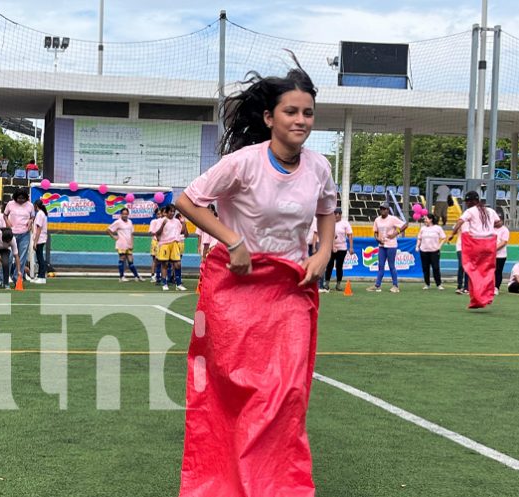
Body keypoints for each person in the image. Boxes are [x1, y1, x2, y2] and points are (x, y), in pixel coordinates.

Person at [174, 56, 336, 497]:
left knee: (287, 392)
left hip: (290, 290)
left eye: (307, 113)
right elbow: (187, 201)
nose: (301, 120)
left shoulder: (319, 167)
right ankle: (226, 480)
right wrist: (233, 241)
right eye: (291, 111)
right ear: (269, 118)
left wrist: (322, 252)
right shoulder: (244, 163)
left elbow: (326, 210)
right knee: (236, 392)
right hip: (236, 289)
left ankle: (279, 484)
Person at [448, 191, 499, 309]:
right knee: (488, 271)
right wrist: (488, 226)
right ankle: (488, 297)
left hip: (476, 243)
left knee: (472, 270)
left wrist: (452, 233)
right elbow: (499, 223)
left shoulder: (470, 211)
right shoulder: (490, 211)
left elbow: (460, 221)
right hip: (490, 244)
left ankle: (477, 299)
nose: (466, 204)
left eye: (467, 202)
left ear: (472, 201)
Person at [367, 203, 408, 293]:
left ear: (388, 210)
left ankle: (395, 286)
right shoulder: (377, 220)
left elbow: (405, 225)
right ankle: (377, 285)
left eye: (384, 209)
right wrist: (377, 239)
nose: (382, 210)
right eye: (381, 209)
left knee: (391, 265)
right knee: (380, 266)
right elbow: (375, 232)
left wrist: (395, 233)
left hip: (391, 245)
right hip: (382, 245)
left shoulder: (392, 219)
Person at [3, 188, 34, 284]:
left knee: (22, 257)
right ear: (15, 197)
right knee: (10, 255)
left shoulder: (30, 205)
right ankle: (5, 277)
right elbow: (5, 215)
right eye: (19, 198)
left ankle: (17, 278)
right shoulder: (10, 204)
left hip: (24, 234)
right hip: (12, 234)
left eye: (23, 198)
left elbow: (32, 216)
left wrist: (30, 220)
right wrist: (8, 223)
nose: (20, 200)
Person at [154, 204, 186, 291]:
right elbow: (157, 233)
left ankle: (178, 284)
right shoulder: (162, 220)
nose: (172, 213)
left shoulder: (176, 221)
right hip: (164, 244)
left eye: (173, 211)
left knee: (178, 264)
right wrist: (163, 225)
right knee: (165, 264)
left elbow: (182, 231)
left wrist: (183, 223)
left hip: (174, 243)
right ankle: (164, 283)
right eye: (170, 211)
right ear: (167, 212)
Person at [107, 207, 143, 282]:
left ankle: (136, 276)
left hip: (128, 244)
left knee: (131, 260)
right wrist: (114, 237)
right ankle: (121, 277)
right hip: (121, 244)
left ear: (128, 214)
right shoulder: (118, 222)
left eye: (126, 214)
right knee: (122, 259)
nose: (125, 215)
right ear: (121, 214)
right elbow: (108, 229)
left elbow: (132, 233)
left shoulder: (130, 222)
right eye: (123, 214)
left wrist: (132, 243)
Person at [322, 208, 353, 291]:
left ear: (340, 214)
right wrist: (332, 246)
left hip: (342, 248)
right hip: (331, 248)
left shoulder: (345, 223)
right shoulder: (330, 223)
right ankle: (327, 283)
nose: (336, 215)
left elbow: (350, 235)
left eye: (337, 214)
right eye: (334, 213)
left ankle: (338, 284)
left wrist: (351, 247)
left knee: (339, 266)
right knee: (329, 265)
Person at [416, 213, 446, 290]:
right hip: (424, 250)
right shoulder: (423, 228)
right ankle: (427, 284)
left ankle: (438, 284)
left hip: (434, 251)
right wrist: (417, 246)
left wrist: (439, 246)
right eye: (424, 219)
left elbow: (443, 238)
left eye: (426, 219)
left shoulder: (438, 228)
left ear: (431, 219)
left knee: (436, 267)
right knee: (425, 268)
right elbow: (419, 238)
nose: (425, 220)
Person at [31, 199, 49, 284]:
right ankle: (39, 276)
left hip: (40, 239)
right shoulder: (42, 214)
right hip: (41, 238)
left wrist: (35, 242)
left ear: (36, 206)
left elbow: (39, 229)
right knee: (39, 257)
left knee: (40, 257)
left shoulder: (40, 214)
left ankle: (42, 277)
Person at [493, 210, 509, 296]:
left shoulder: (504, 230)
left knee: (498, 271)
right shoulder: (491, 228)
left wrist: (493, 249)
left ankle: (496, 287)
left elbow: (503, 242)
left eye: (497, 221)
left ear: (502, 220)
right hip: (490, 255)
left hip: (500, 255)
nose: (495, 222)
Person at [148, 207, 163, 282]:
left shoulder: (164, 221)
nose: (159, 215)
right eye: (158, 214)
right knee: (155, 260)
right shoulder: (153, 221)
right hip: (155, 241)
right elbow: (151, 232)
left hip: (162, 242)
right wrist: (157, 234)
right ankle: (153, 275)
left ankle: (160, 274)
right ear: (156, 215)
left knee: (162, 259)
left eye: (161, 214)